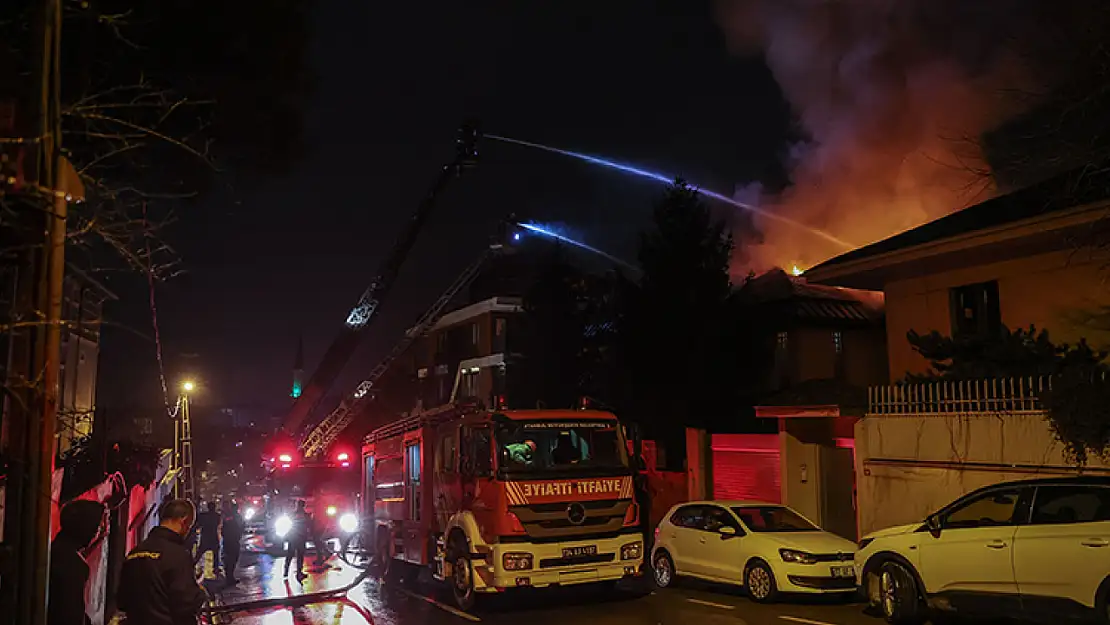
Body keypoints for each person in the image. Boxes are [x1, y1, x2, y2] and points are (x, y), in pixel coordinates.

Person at [118, 499, 207, 625]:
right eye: (188, 527)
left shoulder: (134, 553)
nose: (187, 532)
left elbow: (121, 601)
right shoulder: (178, 555)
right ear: (184, 521)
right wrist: (200, 592)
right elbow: (186, 603)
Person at [48, 499, 106, 625]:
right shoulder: (73, 564)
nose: (98, 532)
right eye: (97, 527)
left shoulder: (54, 550)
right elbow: (71, 613)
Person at [283, 500, 311, 578]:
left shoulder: (292, 515)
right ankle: (299, 573)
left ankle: (286, 571)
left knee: (290, 555)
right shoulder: (305, 516)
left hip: (293, 538)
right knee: (300, 556)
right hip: (301, 538)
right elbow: (308, 526)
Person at [193, 501, 221, 572]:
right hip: (213, 536)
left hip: (205, 536)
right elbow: (218, 524)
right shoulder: (217, 516)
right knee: (215, 553)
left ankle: (192, 564)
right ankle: (215, 568)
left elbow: (199, 524)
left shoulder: (204, 516)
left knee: (200, 553)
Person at [221, 502, 244, 584]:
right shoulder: (235, 517)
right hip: (233, 541)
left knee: (230, 559)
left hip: (229, 541)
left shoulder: (229, 517)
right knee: (232, 559)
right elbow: (241, 527)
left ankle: (229, 577)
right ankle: (229, 578)